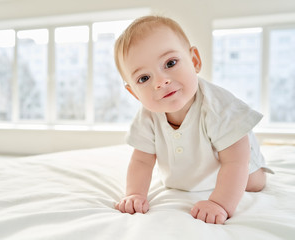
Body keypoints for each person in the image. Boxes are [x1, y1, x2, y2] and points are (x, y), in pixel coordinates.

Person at [113, 15, 272, 224]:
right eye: (144, 78)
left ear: (194, 61)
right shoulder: (147, 116)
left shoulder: (218, 106)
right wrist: (135, 194)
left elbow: (236, 161)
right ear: (134, 93)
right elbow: (142, 160)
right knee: (184, 180)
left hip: (236, 160)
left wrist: (220, 204)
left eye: (170, 63)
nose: (161, 81)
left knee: (252, 181)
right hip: (191, 170)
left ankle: (256, 171)